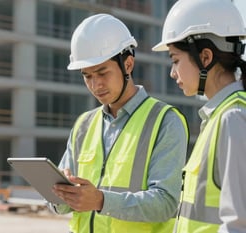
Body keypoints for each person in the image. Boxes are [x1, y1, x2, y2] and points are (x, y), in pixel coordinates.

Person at [50, 13, 189, 233]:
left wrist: (100, 200)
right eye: (87, 76)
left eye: (102, 72)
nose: (96, 85)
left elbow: (166, 203)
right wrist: (60, 194)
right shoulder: (83, 125)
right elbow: (59, 205)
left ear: (128, 64)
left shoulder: (165, 121)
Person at [152, 0, 246, 232]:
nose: (172, 72)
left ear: (205, 57)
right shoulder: (217, 117)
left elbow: (239, 224)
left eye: (175, 60)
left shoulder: (232, 119)